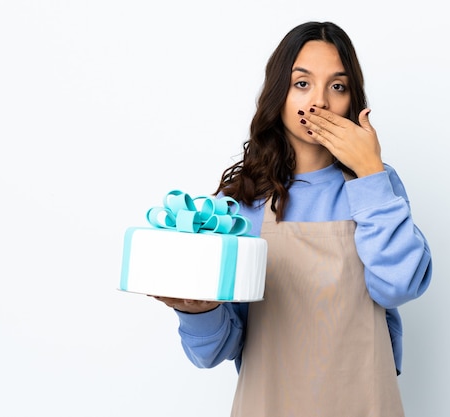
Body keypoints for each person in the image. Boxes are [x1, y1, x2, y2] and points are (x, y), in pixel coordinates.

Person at [153, 21, 432, 416]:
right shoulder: (240, 203)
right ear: (278, 92)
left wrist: (370, 172)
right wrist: (198, 310)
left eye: (338, 86)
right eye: (302, 84)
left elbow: (399, 286)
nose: (318, 102)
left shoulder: (375, 184)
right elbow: (214, 352)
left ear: (353, 100)